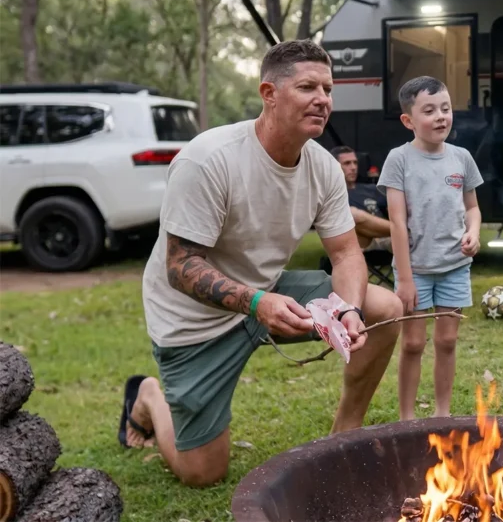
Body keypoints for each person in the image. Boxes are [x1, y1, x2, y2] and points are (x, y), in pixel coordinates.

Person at [117, 40, 404, 488]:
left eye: (328, 89)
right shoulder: (209, 159)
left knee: (383, 309)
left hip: (268, 292)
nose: (323, 99)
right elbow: (180, 265)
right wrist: (256, 303)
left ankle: (345, 435)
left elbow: (346, 252)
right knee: (202, 474)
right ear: (269, 93)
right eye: (308, 86)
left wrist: (347, 308)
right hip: (194, 321)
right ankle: (149, 397)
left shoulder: (323, 167)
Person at [378, 75, 483, 421]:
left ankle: (441, 413)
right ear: (408, 120)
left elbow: (472, 207)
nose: (441, 116)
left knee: (447, 341)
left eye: (446, 108)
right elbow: (396, 222)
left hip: (454, 265)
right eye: (430, 110)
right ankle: (407, 418)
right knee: (412, 343)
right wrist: (404, 279)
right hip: (415, 269)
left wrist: (474, 232)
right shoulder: (399, 159)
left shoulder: (462, 158)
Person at [330, 145, 392, 251]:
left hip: (389, 237)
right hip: (362, 242)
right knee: (353, 214)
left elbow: (392, 210)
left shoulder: (372, 189)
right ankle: (405, 230)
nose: (353, 167)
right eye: (347, 163)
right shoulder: (332, 195)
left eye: (355, 162)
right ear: (334, 166)